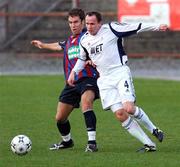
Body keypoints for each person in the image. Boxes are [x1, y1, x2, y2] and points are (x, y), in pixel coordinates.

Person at [68, 11, 168, 152]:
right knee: (121, 114)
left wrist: (157, 26)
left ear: (100, 23)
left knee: (129, 108)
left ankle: (154, 129)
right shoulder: (84, 40)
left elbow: (136, 27)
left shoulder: (112, 29)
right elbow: (82, 58)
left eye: (93, 24)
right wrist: (73, 73)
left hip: (120, 73)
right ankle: (150, 145)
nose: (89, 27)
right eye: (88, 23)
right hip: (104, 79)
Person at [31, 8, 99, 152]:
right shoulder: (69, 41)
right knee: (60, 117)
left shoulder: (89, 37)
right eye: (70, 22)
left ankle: (92, 143)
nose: (73, 25)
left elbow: (100, 50)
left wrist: (92, 61)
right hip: (71, 83)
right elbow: (58, 45)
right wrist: (42, 45)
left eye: (76, 22)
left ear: (83, 22)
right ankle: (67, 142)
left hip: (88, 79)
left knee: (86, 103)